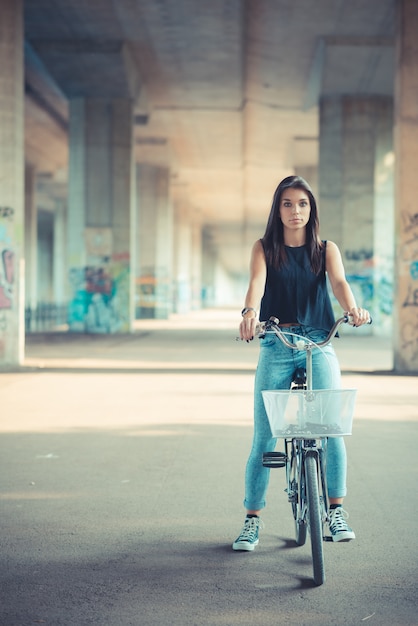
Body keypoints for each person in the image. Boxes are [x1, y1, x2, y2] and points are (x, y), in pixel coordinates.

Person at [233, 175, 371, 551]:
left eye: (303, 204)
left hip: (318, 341)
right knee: (265, 435)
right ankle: (252, 521)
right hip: (277, 342)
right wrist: (249, 313)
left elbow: (340, 284)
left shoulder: (326, 249)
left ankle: (335, 511)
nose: (296, 211)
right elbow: (256, 285)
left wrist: (352, 309)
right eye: (288, 204)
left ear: (312, 210)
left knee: (332, 428)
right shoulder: (264, 248)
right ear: (277, 210)